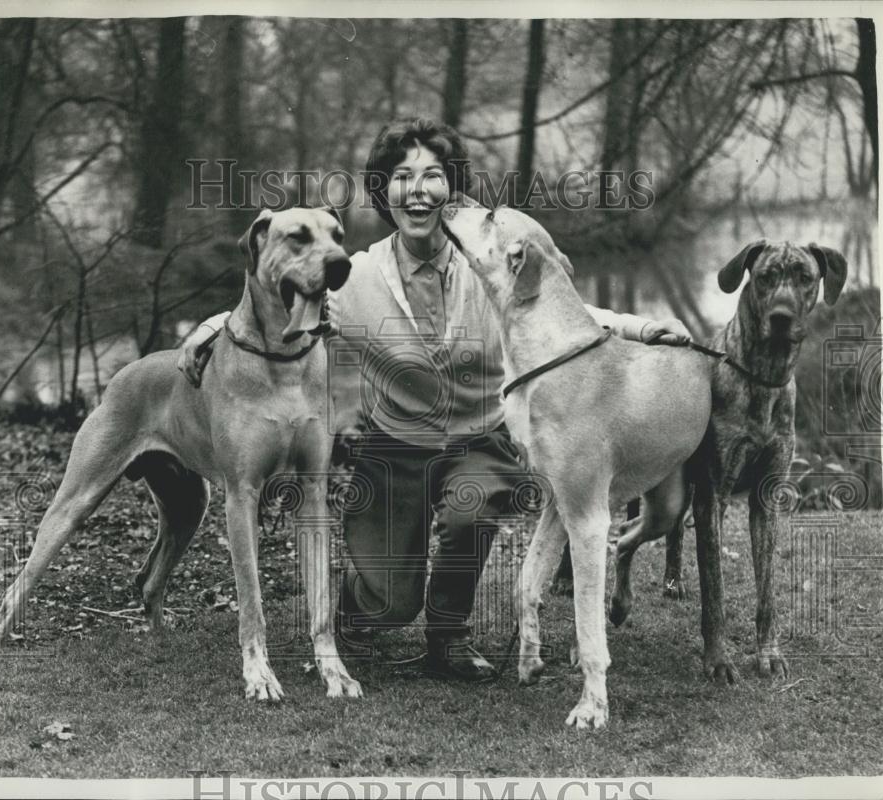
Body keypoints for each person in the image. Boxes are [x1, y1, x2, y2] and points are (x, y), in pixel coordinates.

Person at [178, 118, 690, 681]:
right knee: (390, 602)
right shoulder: (356, 275)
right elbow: (275, 306)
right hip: (394, 450)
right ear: (384, 191)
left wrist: (643, 330)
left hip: (480, 442)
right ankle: (358, 611)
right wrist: (209, 328)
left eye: (433, 176)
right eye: (401, 177)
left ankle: (450, 632)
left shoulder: (488, 266)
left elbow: (567, 313)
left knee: (481, 494)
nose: (417, 190)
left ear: (452, 190)